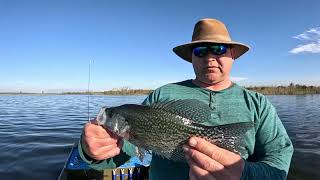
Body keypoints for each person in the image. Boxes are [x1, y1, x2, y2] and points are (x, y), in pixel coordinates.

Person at [78, 18, 293, 180]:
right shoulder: (162, 94)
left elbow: (279, 162)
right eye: (201, 50)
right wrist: (92, 152)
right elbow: (126, 151)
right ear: (191, 56)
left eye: (218, 49)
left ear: (233, 54)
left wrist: (244, 173)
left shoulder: (258, 104)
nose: (210, 57)